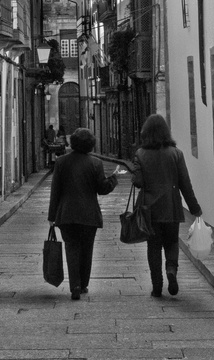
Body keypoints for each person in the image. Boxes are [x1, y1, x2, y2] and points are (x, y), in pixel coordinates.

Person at [129, 114, 202, 298]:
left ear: (146, 132)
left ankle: (156, 286)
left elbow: (137, 182)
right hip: (171, 206)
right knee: (171, 242)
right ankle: (171, 269)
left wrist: (137, 171)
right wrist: (195, 208)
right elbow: (185, 183)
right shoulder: (176, 154)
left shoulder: (140, 154)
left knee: (153, 246)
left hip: (149, 210)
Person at [46, 127, 119, 300]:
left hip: (66, 214)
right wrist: (114, 178)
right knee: (87, 250)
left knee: (71, 249)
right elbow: (102, 189)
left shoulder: (62, 162)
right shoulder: (95, 163)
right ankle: (84, 283)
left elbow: (55, 191)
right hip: (88, 215)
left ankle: (75, 286)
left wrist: (52, 216)